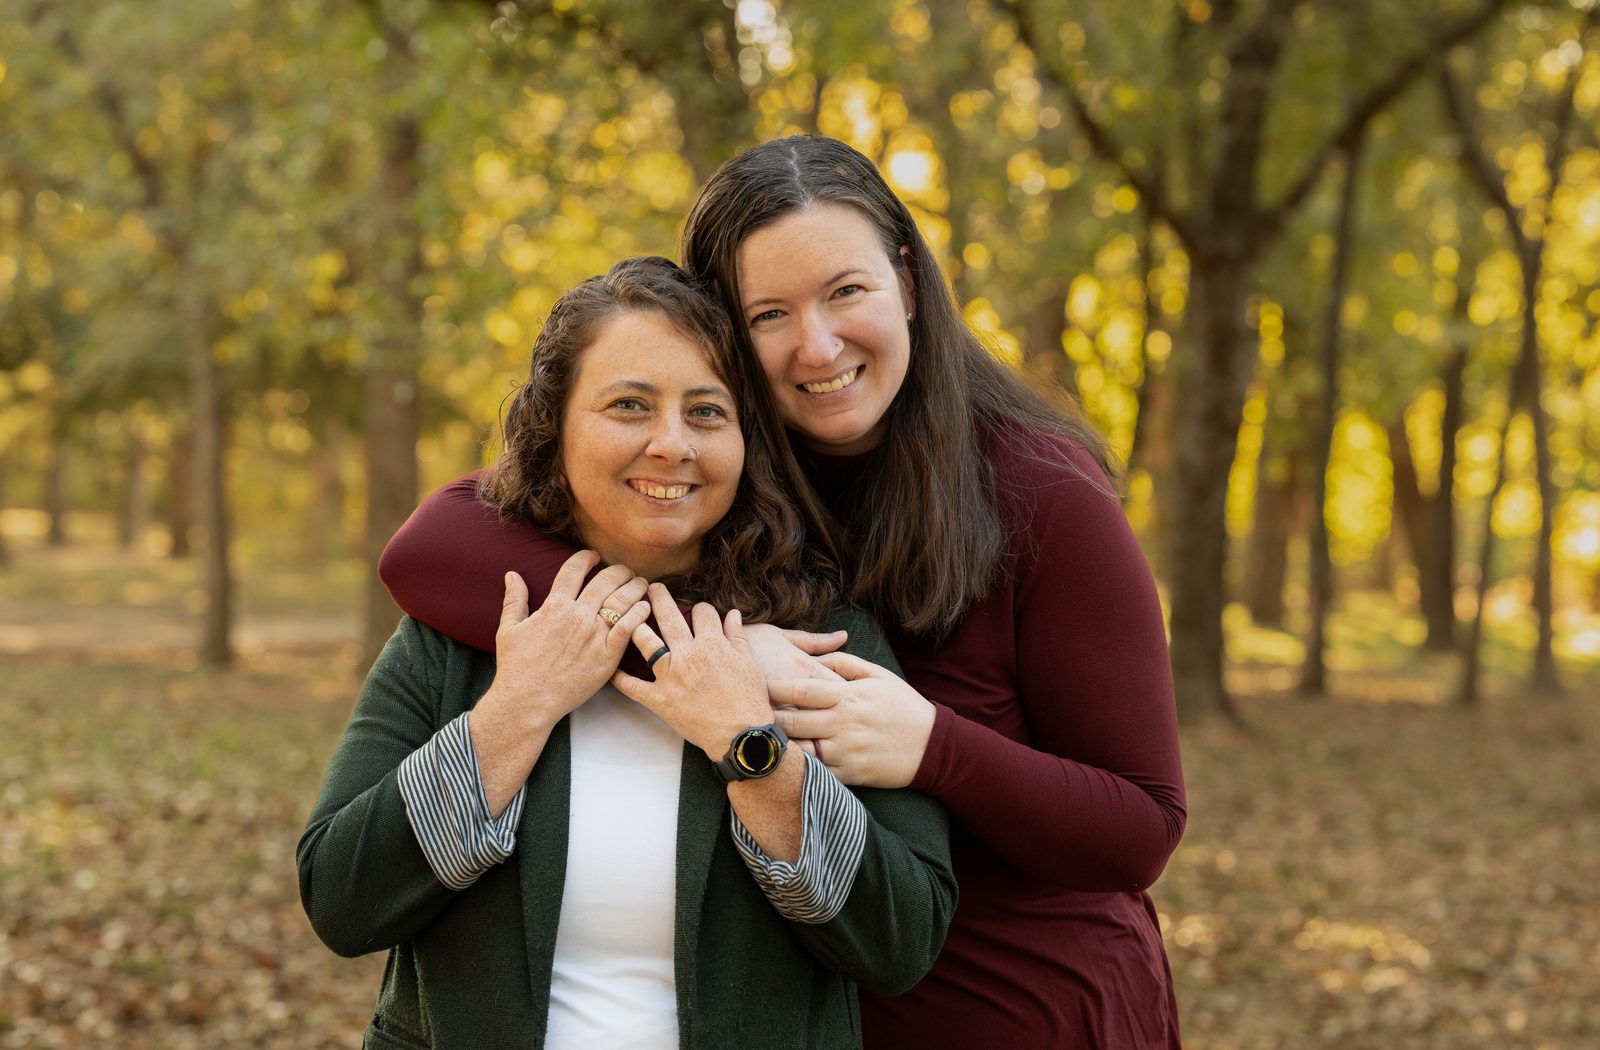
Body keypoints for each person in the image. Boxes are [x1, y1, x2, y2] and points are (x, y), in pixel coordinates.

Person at [381, 137, 1186, 1048]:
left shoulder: (1039, 489)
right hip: (821, 1013)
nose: (818, 344)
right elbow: (430, 547)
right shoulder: (716, 474)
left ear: (909, 284)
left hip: (1026, 1007)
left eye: (847, 291)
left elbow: (1141, 828)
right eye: (770, 313)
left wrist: (931, 746)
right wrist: (700, 647)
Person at [300, 256, 955, 1050]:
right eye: (629, 405)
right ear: (557, 428)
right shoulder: (466, 629)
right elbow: (340, 901)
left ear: (748, 440)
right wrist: (520, 707)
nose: (671, 444)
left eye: (708, 412)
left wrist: (751, 747)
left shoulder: (825, 640)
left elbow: (903, 942)